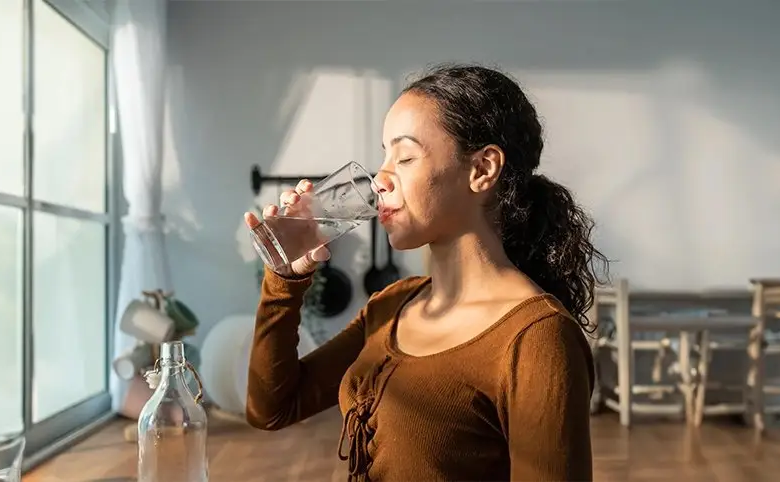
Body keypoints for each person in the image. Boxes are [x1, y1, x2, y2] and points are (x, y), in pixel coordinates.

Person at [242, 63, 608, 482]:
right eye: (384, 154)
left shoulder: (537, 339)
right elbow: (270, 408)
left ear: (483, 169)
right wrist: (285, 281)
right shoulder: (393, 306)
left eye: (406, 156)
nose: (380, 178)